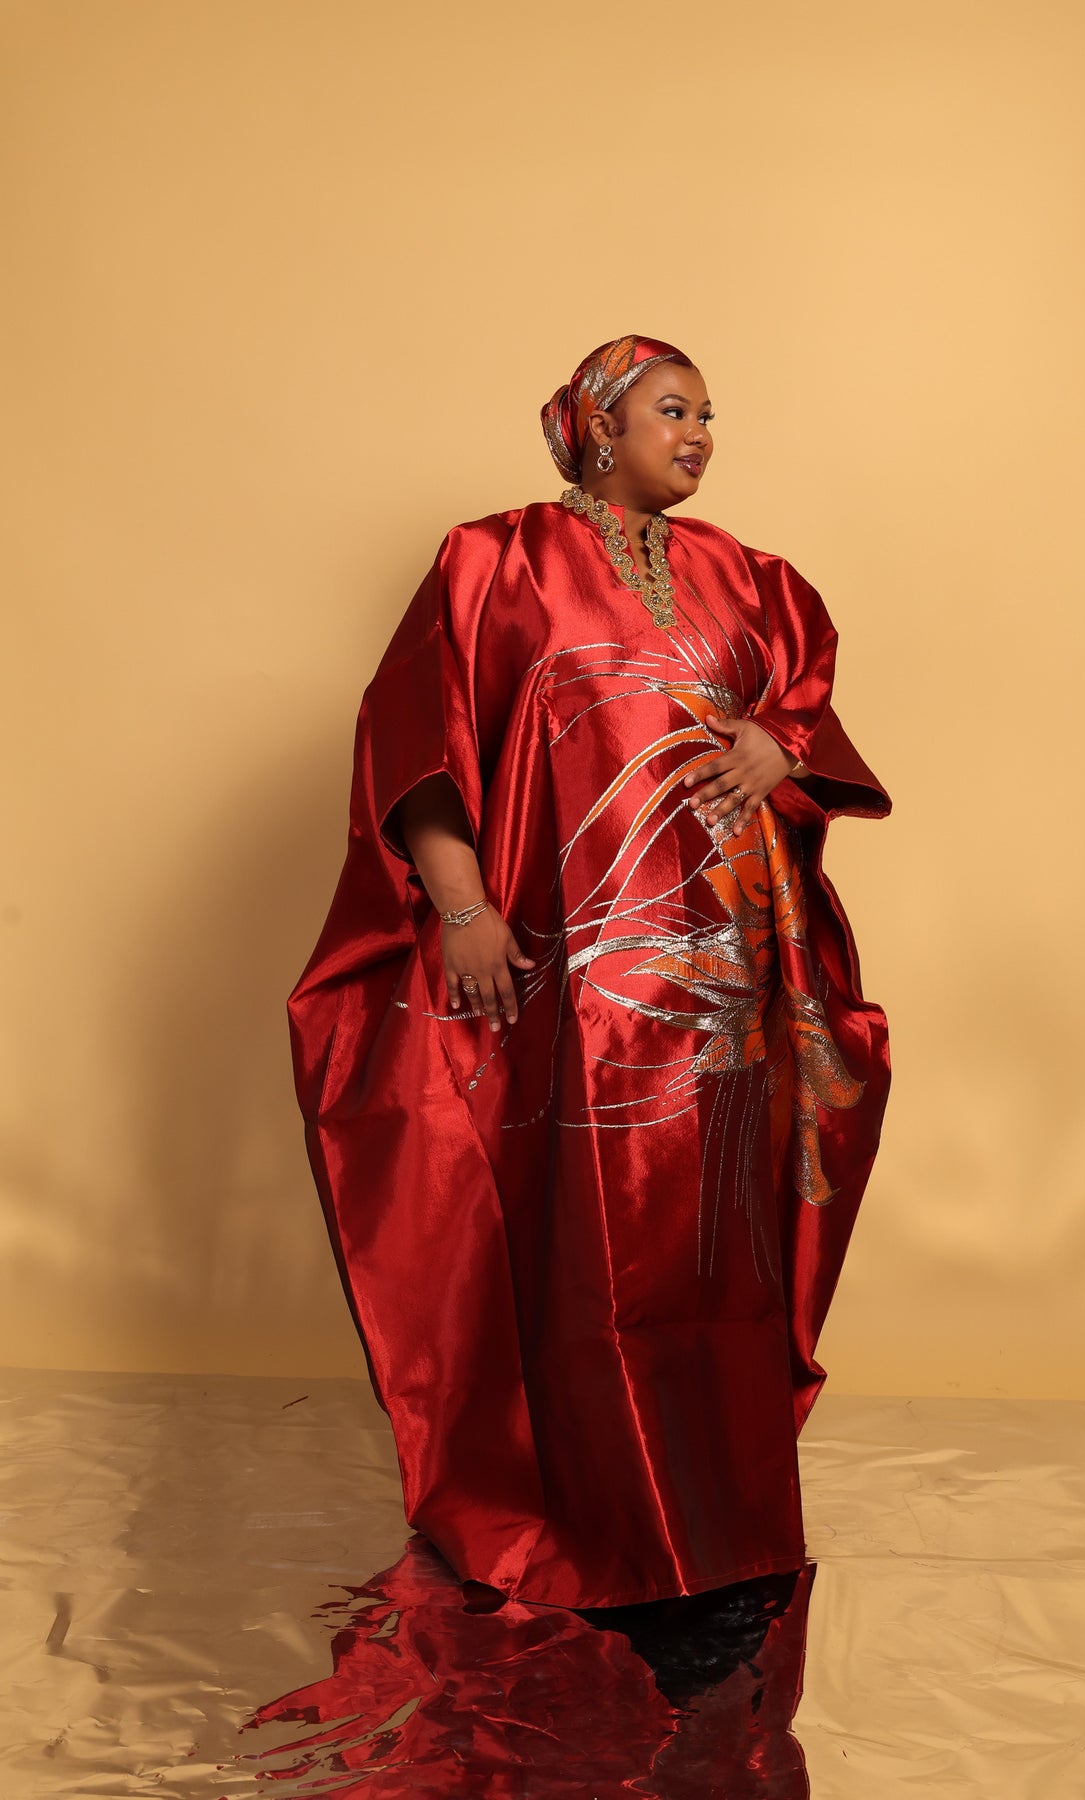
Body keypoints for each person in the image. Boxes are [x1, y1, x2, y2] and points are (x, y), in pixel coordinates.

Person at [287, 334, 891, 1611]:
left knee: (711, 1248)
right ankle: (583, 1526)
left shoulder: (751, 578)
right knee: (580, 1243)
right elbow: (413, 736)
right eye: (673, 409)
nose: (700, 433)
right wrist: (462, 906)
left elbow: (801, 704)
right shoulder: (492, 560)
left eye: (710, 413)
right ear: (600, 425)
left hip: (726, 987)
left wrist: (781, 747)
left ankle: (718, 1531)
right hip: (568, 982)